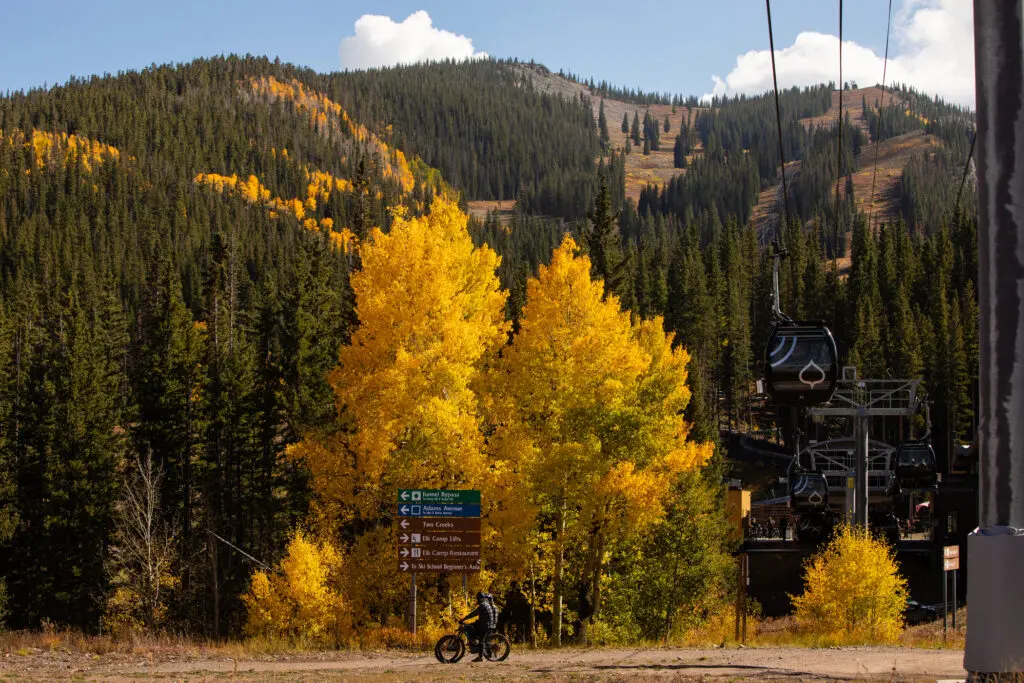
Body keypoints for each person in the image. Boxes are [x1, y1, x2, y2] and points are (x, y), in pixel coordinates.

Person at [460, 591, 498, 662]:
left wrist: (464, 619)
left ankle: (480, 657)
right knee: (472, 626)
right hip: (487, 624)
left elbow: (474, 613)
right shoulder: (486, 604)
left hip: (486, 625)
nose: (477, 600)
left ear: (480, 598)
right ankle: (475, 641)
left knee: (482, 640)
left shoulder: (483, 605)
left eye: (477, 598)